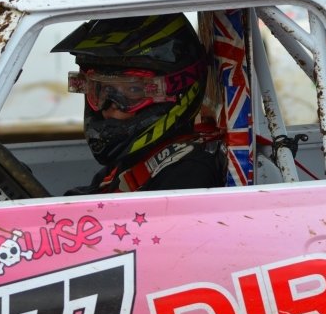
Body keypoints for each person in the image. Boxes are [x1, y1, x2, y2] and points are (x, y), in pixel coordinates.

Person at [51, 13, 224, 194]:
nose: (111, 107)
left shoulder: (188, 174)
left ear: (176, 90)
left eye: (132, 91)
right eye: (100, 89)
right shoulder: (133, 161)